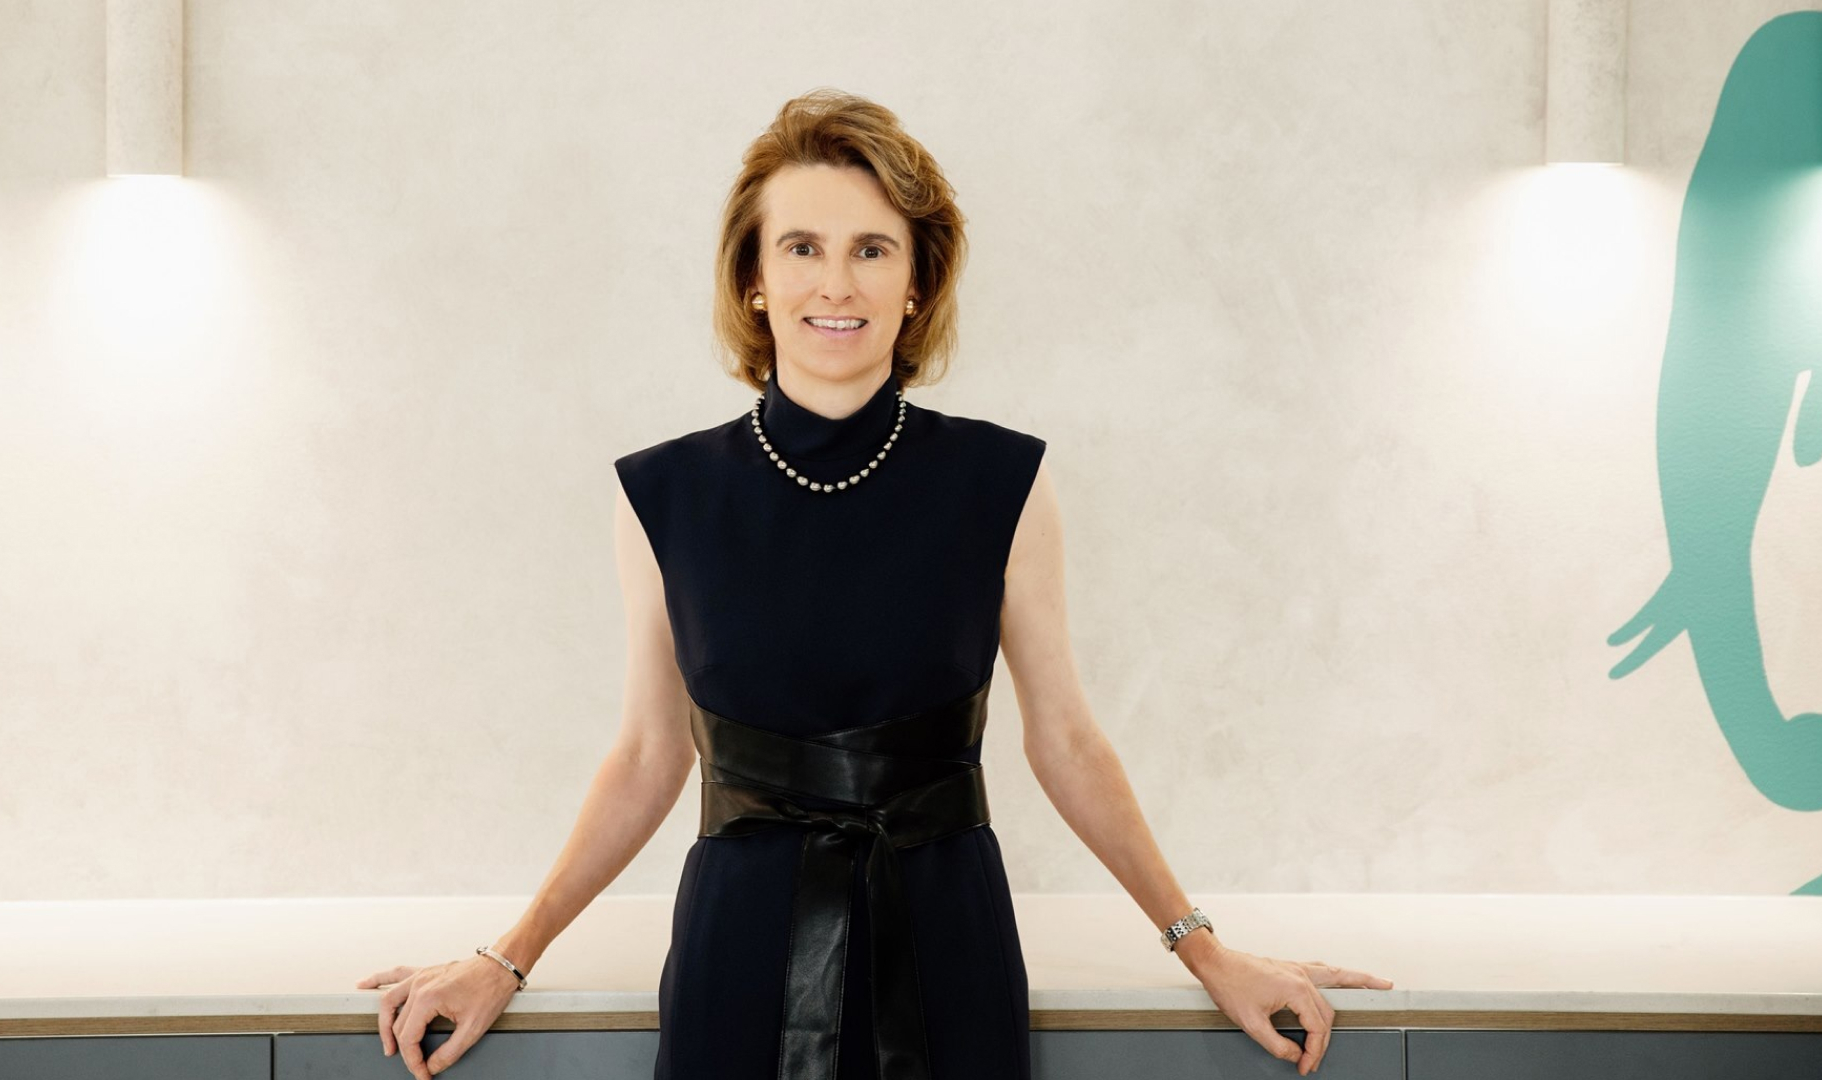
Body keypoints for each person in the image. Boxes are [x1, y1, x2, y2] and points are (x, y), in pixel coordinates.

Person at [358, 87, 1394, 1080]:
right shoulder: (662, 494)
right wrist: (506, 955)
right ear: (754, 277)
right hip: (738, 948)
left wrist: (1206, 949)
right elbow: (644, 757)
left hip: (946, 942)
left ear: (916, 283)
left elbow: (1067, 740)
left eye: (872, 249)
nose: (836, 285)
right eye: (801, 247)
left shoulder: (1003, 481)